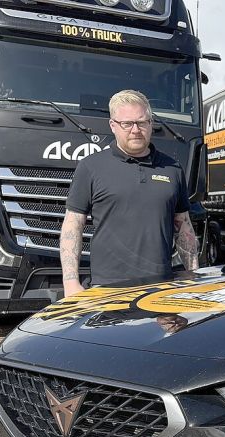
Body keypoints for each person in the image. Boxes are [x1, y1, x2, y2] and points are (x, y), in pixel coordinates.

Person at [60, 90, 198, 296]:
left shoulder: (173, 169)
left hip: (160, 287)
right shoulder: (91, 167)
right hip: (107, 289)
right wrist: (70, 282)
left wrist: (194, 274)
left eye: (142, 122)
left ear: (151, 124)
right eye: (127, 123)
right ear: (113, 125)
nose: (135, 130)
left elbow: (184, 226)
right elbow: (73, 225)